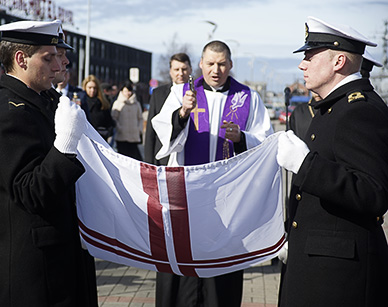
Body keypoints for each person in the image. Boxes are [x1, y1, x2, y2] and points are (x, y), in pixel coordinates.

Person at [0, 20, 98, 306]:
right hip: (35, 270)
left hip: (58, 257)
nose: (61, 64)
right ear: (21, 59)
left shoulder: (40, 101)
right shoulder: (10, 114)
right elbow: (31, 191)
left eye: (60, 55)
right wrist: (65, 144)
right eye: (50, 56)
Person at [151, 40, 273, 307]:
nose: (215, 70)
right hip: (188, 196)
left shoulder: (248, 97)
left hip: (228, 199)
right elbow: (161, 132)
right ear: (201, 65)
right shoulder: (182, 92)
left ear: (230, 65)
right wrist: (182, 113)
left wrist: (242, 138)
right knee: (184, 265)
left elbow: (266, 141)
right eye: (210, 64)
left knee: (221, 272)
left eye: (221, 64)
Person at [276, 16, 388, 306]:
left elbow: (373, 193)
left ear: (338, 61)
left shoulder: (357, 110)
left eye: (310, 56)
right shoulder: (333, 108)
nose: (303, 64)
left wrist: (305, 165)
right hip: (320, 268)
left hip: (338, 279)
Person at [144, 52, 192, 166]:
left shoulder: (199, 93)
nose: (180, 73)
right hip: (164, 158)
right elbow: (151, 130)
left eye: (184, 69)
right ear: (170, 71)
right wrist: (148, 163)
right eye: (176, 69)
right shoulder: (158, 94)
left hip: (189, 156)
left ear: (190, 70)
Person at [111, 80, 143, 160]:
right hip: (122, 136)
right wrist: (119, 128)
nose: (128, 93)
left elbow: (140, 118)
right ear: (122, 91)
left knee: (134, 159)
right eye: (126, 91)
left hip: (134, 136)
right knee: (123, 159)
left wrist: (139, 129)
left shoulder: (136, 104)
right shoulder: (117, 103)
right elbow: (114, 118)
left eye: (129, 91)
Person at [82, 75, 115, 141]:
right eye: (90, 87)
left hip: (100, 138)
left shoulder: (102, 102)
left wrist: (107, 132)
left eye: (95, 88)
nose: (92, 90)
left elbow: (109, 122)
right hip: (84, 139)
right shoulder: (81, 102)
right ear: (85, 87)